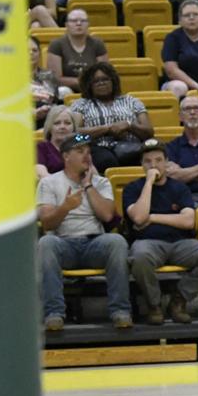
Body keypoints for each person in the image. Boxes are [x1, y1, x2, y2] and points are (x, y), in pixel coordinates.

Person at [123, 138, 198, 325]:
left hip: (180, 243)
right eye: (148, 161)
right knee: (139, 257)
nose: (153, 165)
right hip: (148, 242)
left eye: (158, 160)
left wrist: (153, 218)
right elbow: (138, 217)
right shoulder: (132, 188)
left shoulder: (179, 188)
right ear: (142, 165)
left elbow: (188, 221)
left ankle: (179, 300)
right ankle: (154, 304)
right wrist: (149, 183)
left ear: (167, 162)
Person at [37, 133, 133, 331]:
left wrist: (89, 186)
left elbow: (107, 215)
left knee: (116, 241)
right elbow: (47, 223)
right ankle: (54, 313)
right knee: (45, 243)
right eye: (80, 151)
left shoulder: (101, 182)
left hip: (93, 244)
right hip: (63, 245)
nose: (87, 156)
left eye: (88, 152)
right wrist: (66, 207)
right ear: (66, 156)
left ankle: (120, 311)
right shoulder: (48, 183)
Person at [70, 62, 154, 172]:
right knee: (106, 160)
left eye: (105, 79)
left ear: (113, 81)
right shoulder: (81, 104)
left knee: (145, 157)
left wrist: (130, 126)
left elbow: (149, 133)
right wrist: (106, 129)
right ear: (88, 85)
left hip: (131, 146)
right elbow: (76, 136)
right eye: (95, 81)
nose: (101, 83)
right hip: (97, 147)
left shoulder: (132, 101)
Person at [46, 9, 109, 95]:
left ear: (88, 24)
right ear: (66, 25)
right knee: (63, 91)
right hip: (67, 90)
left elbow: (104, 72)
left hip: (93, 88)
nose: (79, 24)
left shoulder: (97, 43)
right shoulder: (57, 44)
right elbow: (55, 78)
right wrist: (81, 81)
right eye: (74, 21)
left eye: (83, 21)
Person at [37, 105, 81, 179]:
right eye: (57, 123)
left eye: (67, 123)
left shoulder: (81, 148)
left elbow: (94, 177)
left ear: (73, 128)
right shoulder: (41, 148)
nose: (62, 127)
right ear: (50, 127)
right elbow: (42, 175)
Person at [31, 35, 59, 129]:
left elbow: (55, 101)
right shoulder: (11, 76)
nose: (31, 53)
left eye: (34, 50)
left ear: (39, 54)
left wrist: (50, 110)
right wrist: (33, 112)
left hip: (48, 115)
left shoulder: (49, 75)